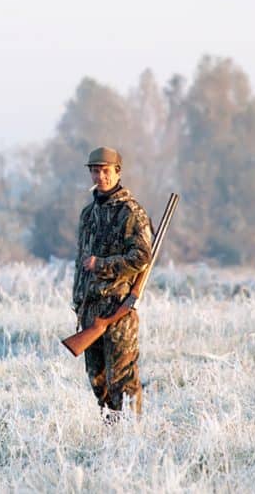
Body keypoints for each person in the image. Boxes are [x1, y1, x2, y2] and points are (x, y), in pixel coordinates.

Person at [72, 146, 153, 418]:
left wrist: (102, 265)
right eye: (95, 171)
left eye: (105, 171)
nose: (100, 177)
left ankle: (131, 437)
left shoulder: (132, 213)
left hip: (118, 308)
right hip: (90, 308)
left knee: (123, 380)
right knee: (97, 380)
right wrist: (79, 300)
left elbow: (142, 257)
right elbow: (80, 262)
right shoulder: (88, 214)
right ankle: (110, 434)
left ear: (117, 172)